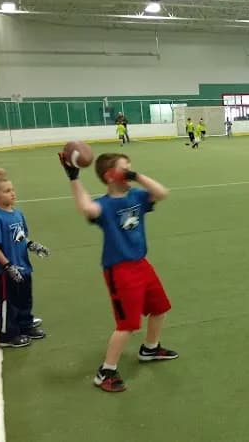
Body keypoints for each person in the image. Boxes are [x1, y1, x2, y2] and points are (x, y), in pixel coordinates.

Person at [60, 152, 177, 392]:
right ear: (110, 176)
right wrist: (74, 177)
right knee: (127, 324)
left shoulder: (137, 196)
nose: (130, 173)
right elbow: (86, 208)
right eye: (125, 169)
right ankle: (106, 372)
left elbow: (162, 193)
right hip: (119, 270)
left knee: (160, 308)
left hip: (142, 264)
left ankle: (150, 349)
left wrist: (137, 176)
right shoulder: (104, 205)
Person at [0, 177, 50, 348]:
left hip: (24, 266)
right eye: (6, 191)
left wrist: (31, 245)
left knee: (24, 298)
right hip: (7, 271)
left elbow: (21, 237)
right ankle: (8, 334)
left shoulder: (18, 214)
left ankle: (25, 324)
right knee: (9, 302)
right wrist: (7, 266)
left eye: (12, 189)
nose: (12, 193)